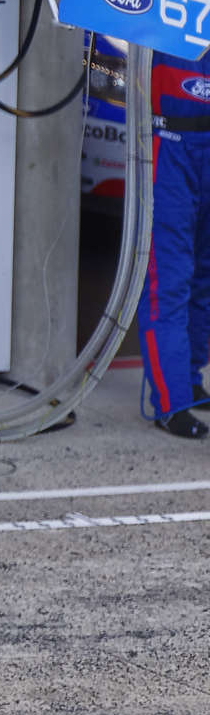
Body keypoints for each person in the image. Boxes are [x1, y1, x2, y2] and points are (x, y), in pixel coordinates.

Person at [145, 42, 210, 438]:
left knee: (204, 274)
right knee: (168, 278)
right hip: (171, 145)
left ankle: (189, 380)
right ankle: (170, 403)